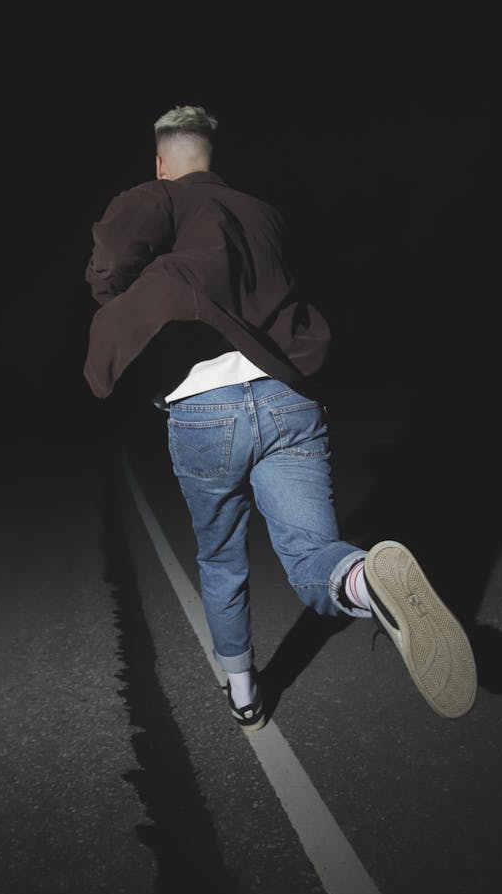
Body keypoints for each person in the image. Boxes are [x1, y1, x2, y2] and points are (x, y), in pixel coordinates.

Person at [83, 104, 477, 730]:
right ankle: (360, 580)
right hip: (288, 398)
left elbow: (110, 258)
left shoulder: (159, 199)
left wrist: (118, 291)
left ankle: (244, 694)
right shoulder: (261, 212)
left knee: (221, 560)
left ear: (162, 163)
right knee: (312, 550)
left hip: (206, 411)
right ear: (214, 156)